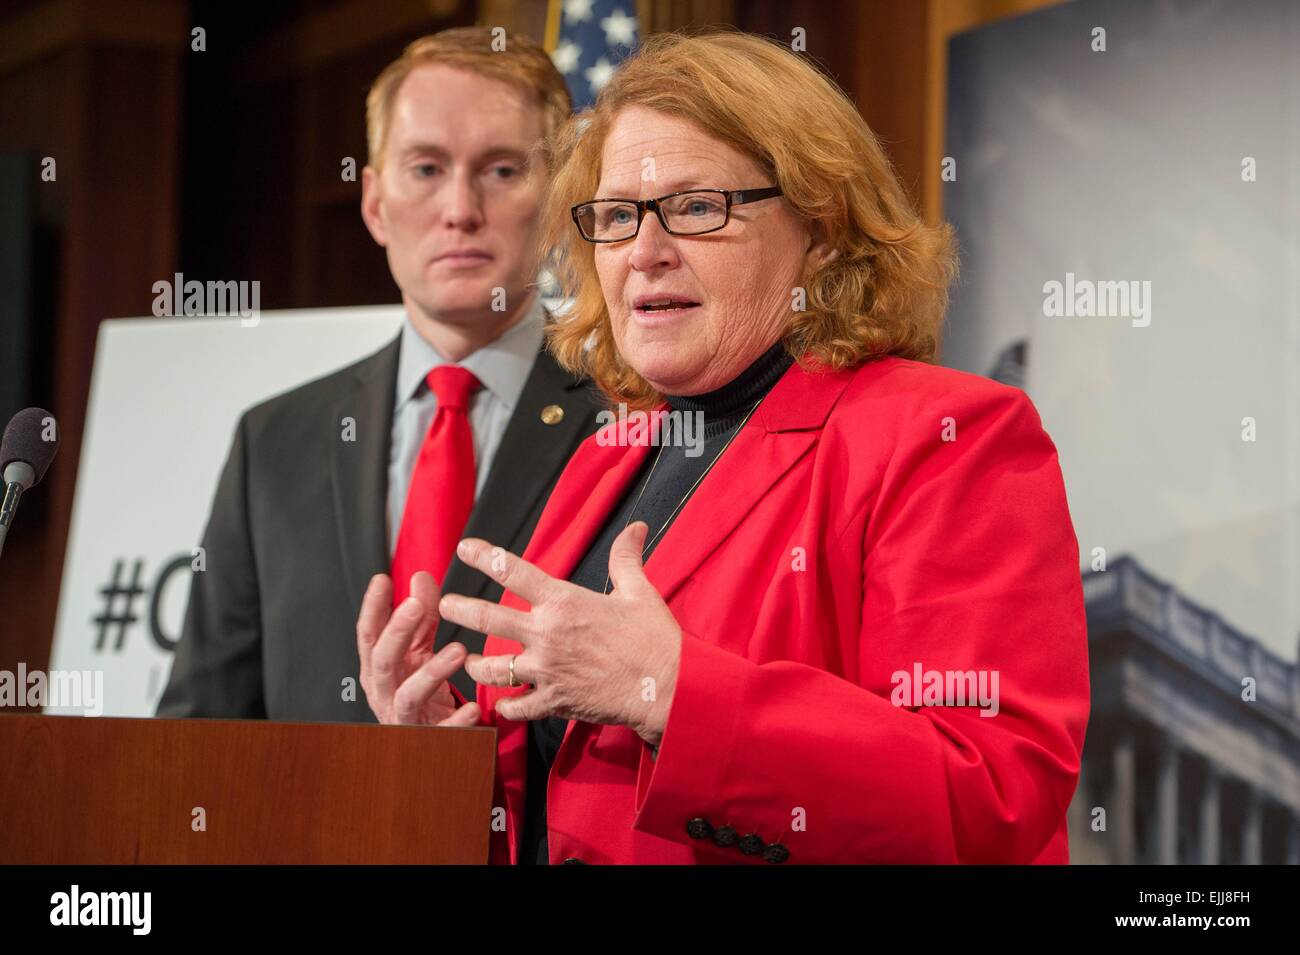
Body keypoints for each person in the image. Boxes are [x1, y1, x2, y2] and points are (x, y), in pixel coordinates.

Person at [356, 29, 1090, 864]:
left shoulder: (948, 439)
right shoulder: (610, 449)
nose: (644, 251)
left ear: (821, 229)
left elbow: (991, 795)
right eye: (619, 215)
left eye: (699, 208)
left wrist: (670, 689)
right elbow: (563, 792)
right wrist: (445, 751)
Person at [158, 28, 601, 720]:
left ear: (555, 194)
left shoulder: (628, 424)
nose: (460, 210)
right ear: (373, 203)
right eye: (426, 168)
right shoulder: (273, 441)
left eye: (502, 170)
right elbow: (199, 729)